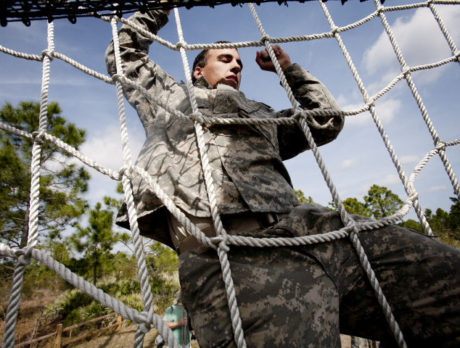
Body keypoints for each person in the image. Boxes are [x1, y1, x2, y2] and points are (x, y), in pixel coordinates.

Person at [106, 8, 460, 348]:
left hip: (315, 230)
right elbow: (123, 53)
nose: (236, 67)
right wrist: (160, 8)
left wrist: (287, 70)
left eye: (240, 64)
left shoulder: (263, 115)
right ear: (199, 70)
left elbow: (326, 120)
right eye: (225, 59)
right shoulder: (169, 98)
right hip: (234, 254)